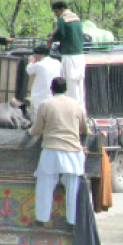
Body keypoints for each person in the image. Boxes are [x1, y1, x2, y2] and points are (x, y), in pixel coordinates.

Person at [29, 77, 87, 230]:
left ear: (51, 89)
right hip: (73, 152)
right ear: (66, 89)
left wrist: (28, 132)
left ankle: (41, 220)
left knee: (45, 185)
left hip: (51, 151)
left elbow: (37, 130)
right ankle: (71, 223)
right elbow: (85, 129)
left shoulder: (46, 104)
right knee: (73, 187)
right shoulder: (76, 105)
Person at [47, 1, 85, 108]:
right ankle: (81, 109)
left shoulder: (63, 20)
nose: (56, 14)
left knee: (70, 86)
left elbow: (59, 35)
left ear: (62, 9)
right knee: (80, 87)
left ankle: (72, 109)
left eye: (56, 12)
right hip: (80, 56)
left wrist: (51, 39)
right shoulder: (77, 18)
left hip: (69, 56)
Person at [25, 44, 62, 123]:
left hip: (40, 96)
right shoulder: (57, 63)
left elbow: (29, 70)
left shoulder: (38, 65)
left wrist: (31, 62)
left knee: (39, 119)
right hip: (53, 95)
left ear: (41, 55)